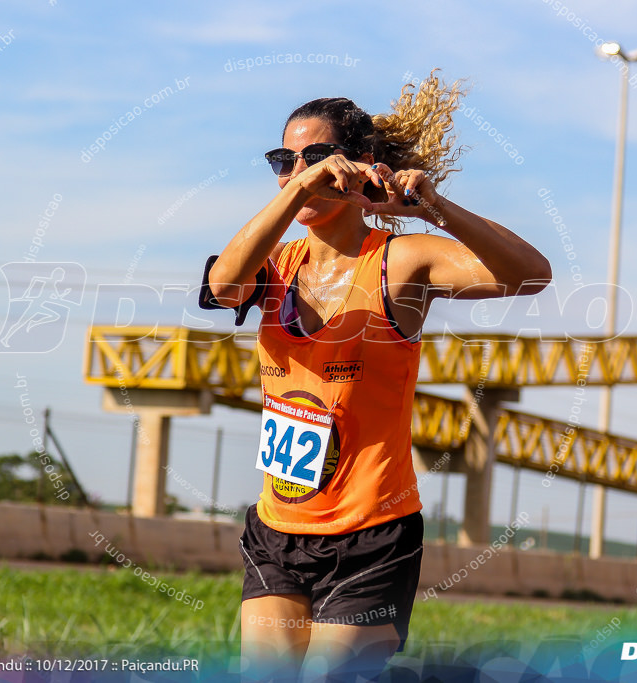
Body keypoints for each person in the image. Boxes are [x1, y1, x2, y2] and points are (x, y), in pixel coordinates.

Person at [200, 72, 551, 682]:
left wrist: (436, 209)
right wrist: (300, 186)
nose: (298, 170)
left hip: (373, 536)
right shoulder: (274, 265)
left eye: (315, 157)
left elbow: (531, 276)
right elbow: (223, 285)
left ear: (360, 164)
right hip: (279, 531)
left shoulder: (400, 260)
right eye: (285, 160)